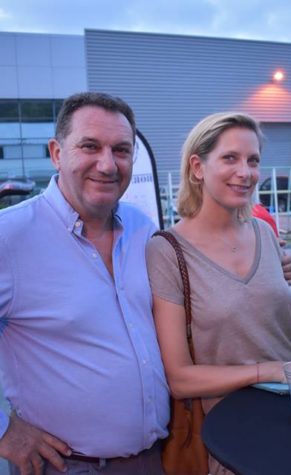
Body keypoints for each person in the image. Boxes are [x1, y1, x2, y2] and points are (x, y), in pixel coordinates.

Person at [146, 111, 291, 474]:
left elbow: (284, 331)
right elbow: (180, 379)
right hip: (233, 434)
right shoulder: (167, 251)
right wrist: (269, 370)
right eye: (230, 158)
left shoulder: (263, 233)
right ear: (197, 167)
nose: (245, 172)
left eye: (253, 160)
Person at [0, 92, 170, 475]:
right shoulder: (10, 237)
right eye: (90, 146)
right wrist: (5, 433)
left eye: (121, 150)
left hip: (151, 459)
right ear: (57, 153)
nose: (107, 165)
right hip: (66, 466)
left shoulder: (142, 229)